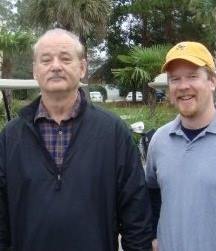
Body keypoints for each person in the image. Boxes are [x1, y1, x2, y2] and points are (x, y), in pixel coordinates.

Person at [0, 28, 153, 251]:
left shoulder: (112, 132)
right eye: (45, 60)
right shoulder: (11, 137)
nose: (55, 66)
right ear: (35, 71)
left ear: (82, 67)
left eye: (65, 58)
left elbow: (136, 214)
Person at [146, 41, 216, 251]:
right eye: (175, 79)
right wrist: (154, 236)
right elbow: (151, 192)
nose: (183, 86)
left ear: (212, 81)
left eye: (193, 76)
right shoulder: (160, 141)